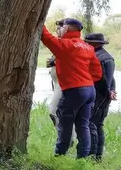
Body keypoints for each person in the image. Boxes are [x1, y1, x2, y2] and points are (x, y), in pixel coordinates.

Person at [41, 18, 103, 158]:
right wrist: (85, 80)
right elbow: (97, 73)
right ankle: (83, 157)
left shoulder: (66, 45)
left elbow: (46, 38)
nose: (60, 30)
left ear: (67, 29)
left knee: (65, 123)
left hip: (74, 90)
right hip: (89, 90)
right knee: (83, 124)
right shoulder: (87, 47)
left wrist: (40, 21)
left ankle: (60, 154)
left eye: (62, 27)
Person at [85, 33, 115, 161]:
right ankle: (97, 156)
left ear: (94, 44)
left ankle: (92, 156)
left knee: (91, 123)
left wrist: (107, 91)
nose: (86, 44)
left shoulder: (97, 57)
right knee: (98, 124)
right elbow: (111, 78)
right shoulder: (107, 57)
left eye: (87, 42)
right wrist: (112, 90)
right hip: (104, 95)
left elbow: (102, 80)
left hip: (98, 95)